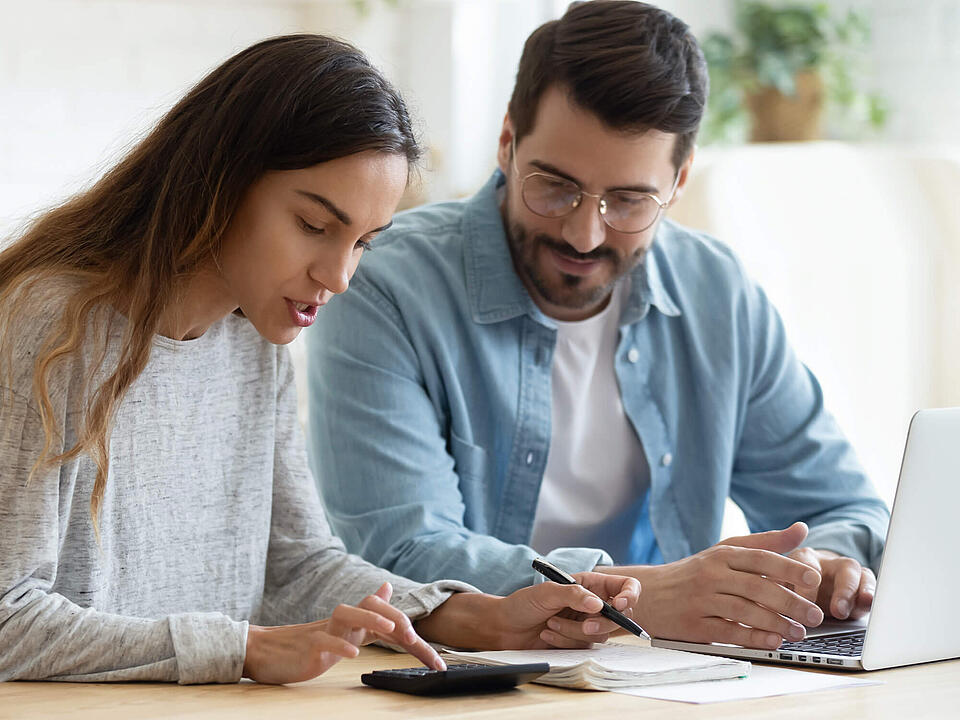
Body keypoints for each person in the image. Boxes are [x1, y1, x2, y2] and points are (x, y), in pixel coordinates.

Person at [0, 34, 642, 685]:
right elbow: (6, 620)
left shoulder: (253, 336)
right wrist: (241, 649)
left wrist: (475, 615)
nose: (338, 276)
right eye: (314, 226)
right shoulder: (51, 324)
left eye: (363, 241)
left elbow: (297, 566)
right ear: (221, 182)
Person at [307, 1, 890, 652]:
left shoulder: (716, 293)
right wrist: (642, 593)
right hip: (470, 679)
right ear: (507, 142)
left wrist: (820, 570)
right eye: (555, 187)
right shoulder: (384, 285)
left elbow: (848, 509)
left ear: (678, 180)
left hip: (666, 679)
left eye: (629, 201)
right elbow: (400, 553)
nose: (584, 233)